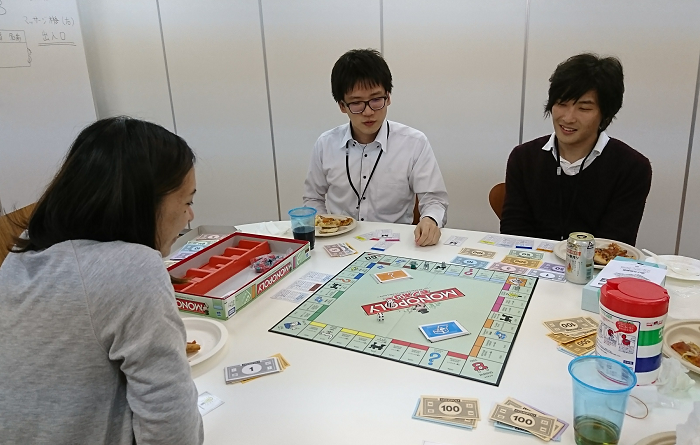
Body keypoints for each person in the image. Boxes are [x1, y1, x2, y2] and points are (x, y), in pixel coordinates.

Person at [0, 117, 204, 444]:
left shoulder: (23, 251)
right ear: (144, 202)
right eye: (188, 201)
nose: (190, 216)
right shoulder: (132, 267)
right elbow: (173, 427)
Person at [500, 53, 652, 246]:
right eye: (561, 104)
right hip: (531, 265)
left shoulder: (632, 168)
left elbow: (614, 243)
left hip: (593, 272)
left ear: (605, 114)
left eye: (584, 108)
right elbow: (514, 233)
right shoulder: (523, 158)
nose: (568, 118)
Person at [303, 49, 449, 246]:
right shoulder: (326, 144)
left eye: (376, 100)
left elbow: (434, 200)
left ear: (388, 97)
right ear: (342, 106)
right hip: (340, 245)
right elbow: (313, 198)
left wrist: (430, 220)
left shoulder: (414, 143)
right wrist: (323, 229)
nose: (369, 111)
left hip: (396, 246)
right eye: (356, 103)